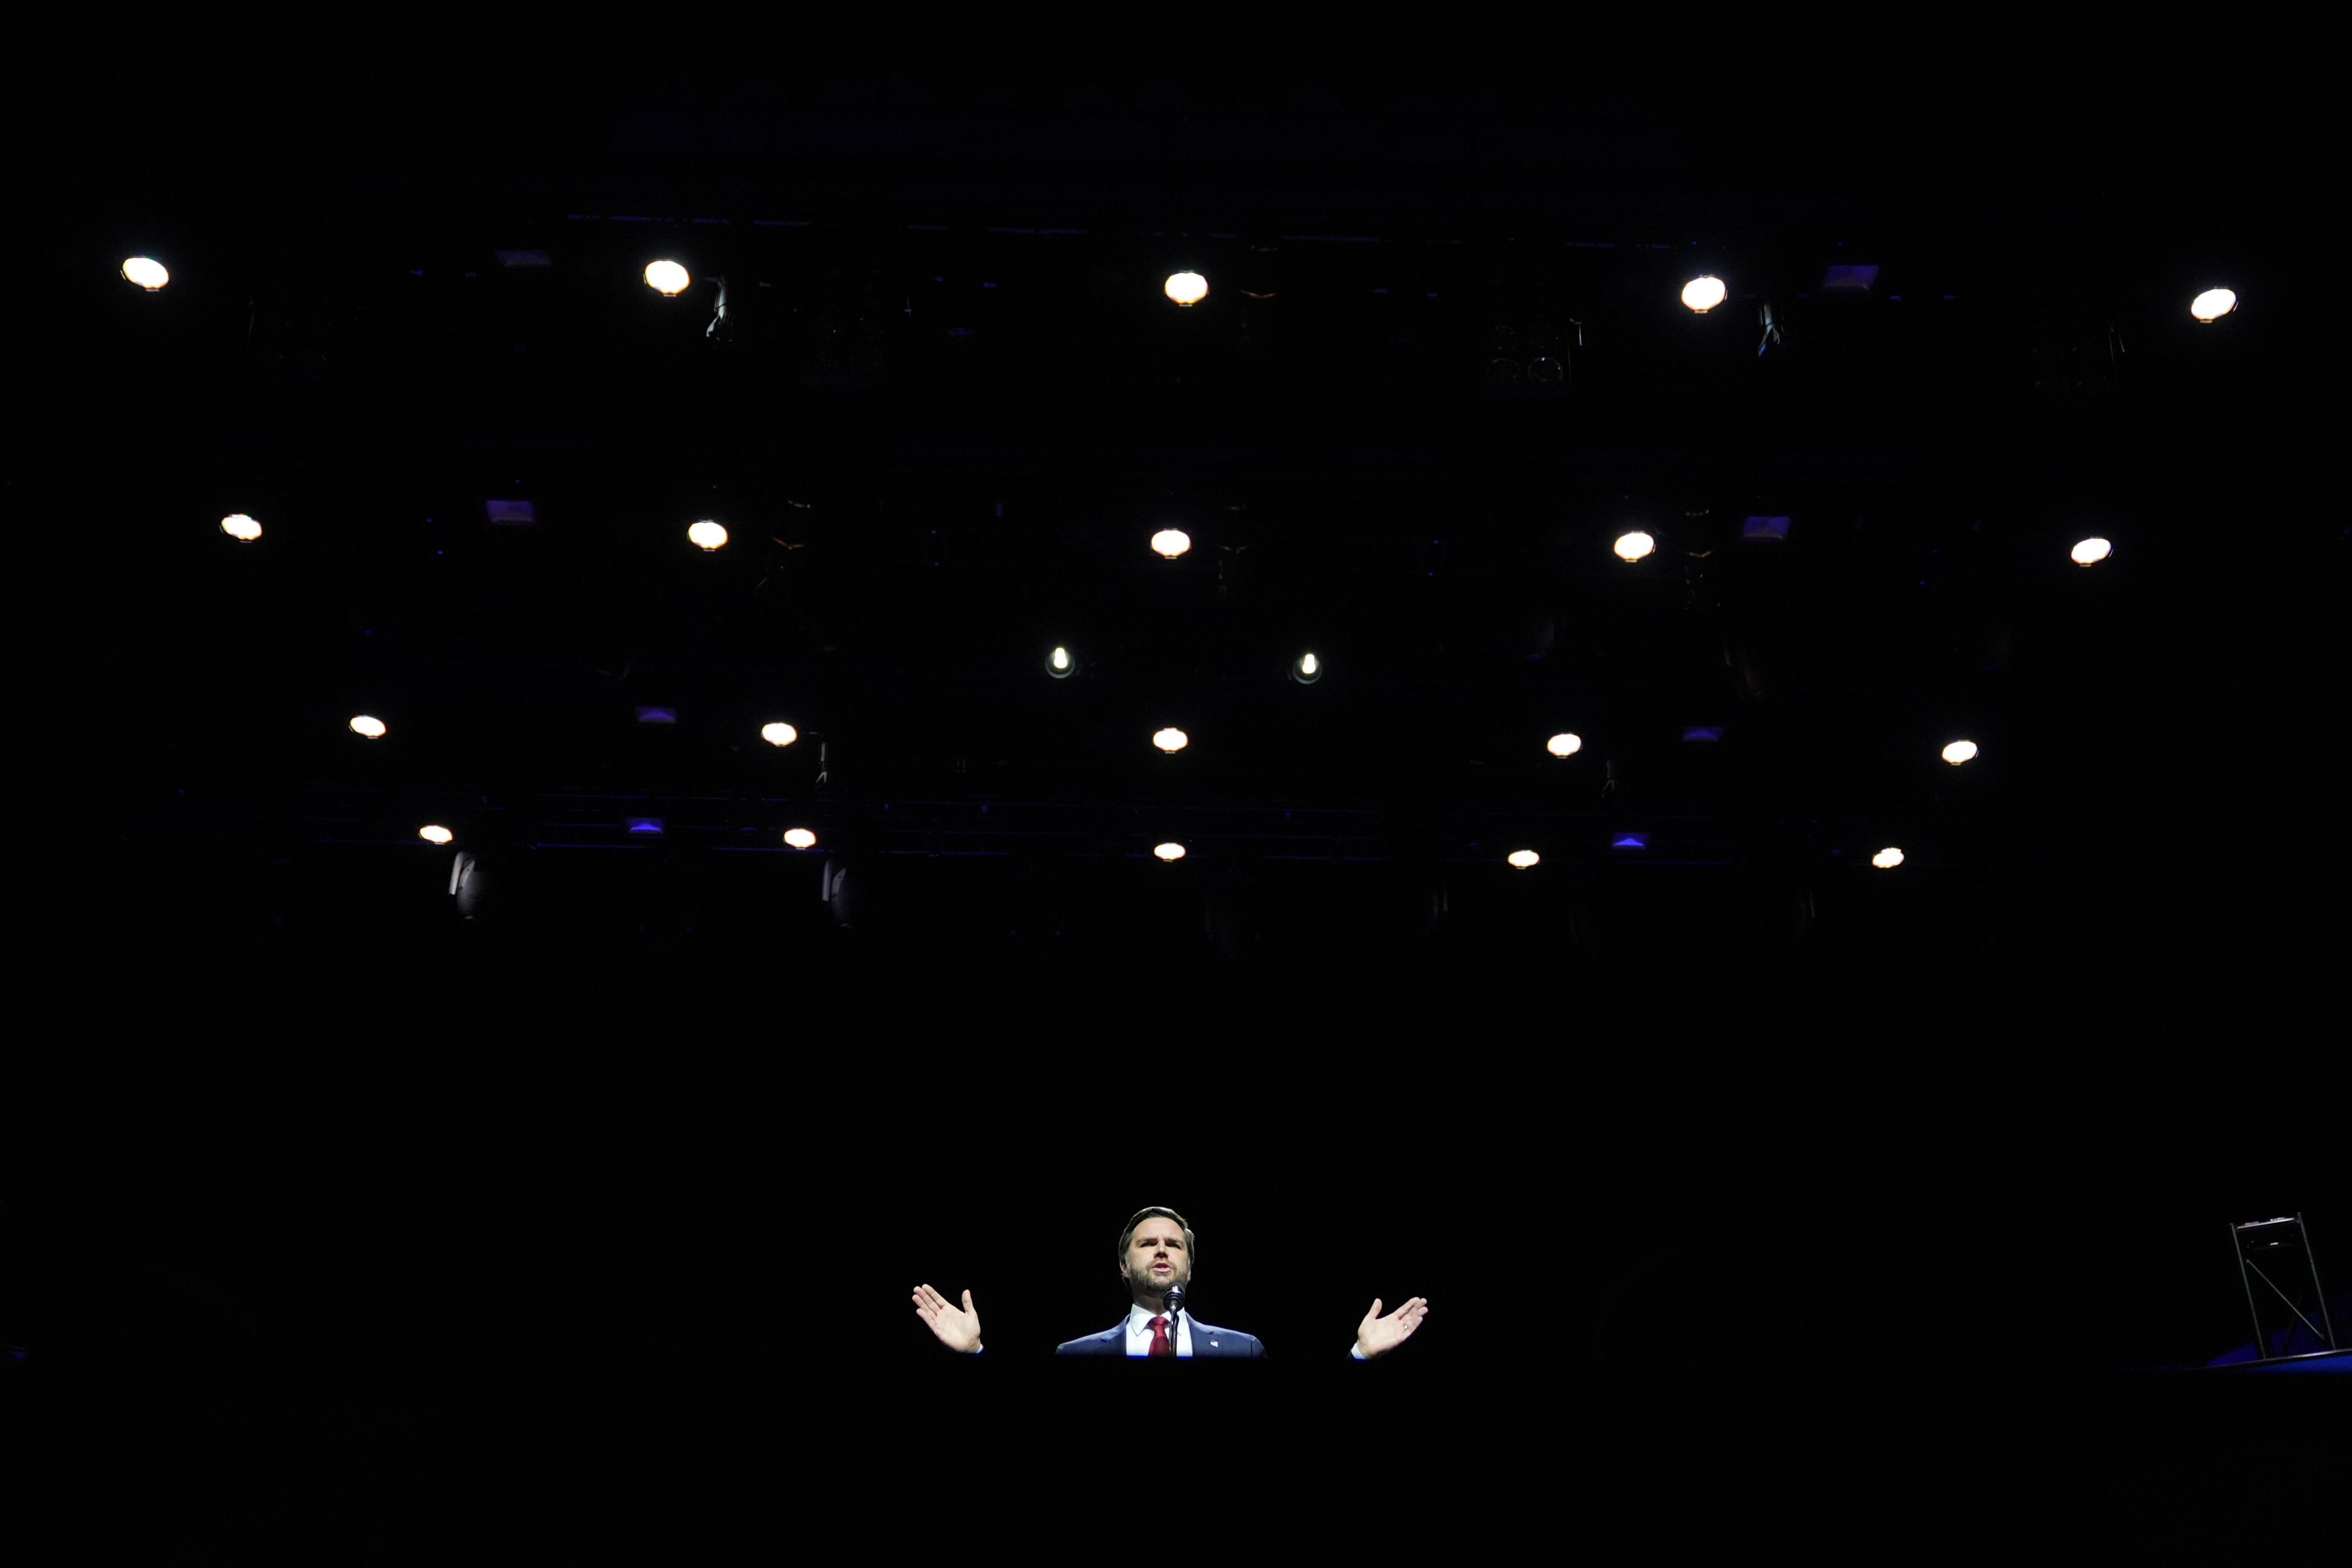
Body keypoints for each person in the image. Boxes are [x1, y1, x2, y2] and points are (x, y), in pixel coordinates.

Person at [911, 1205, 1430, 1360]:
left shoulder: (1241, 1350)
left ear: (1189, 1266)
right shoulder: (1076, 1354)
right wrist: (975, 1352)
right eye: (1147, 1243)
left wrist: (1360, 1358)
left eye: (1174, 1245)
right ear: (1122, 1265)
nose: (1162, 1249)